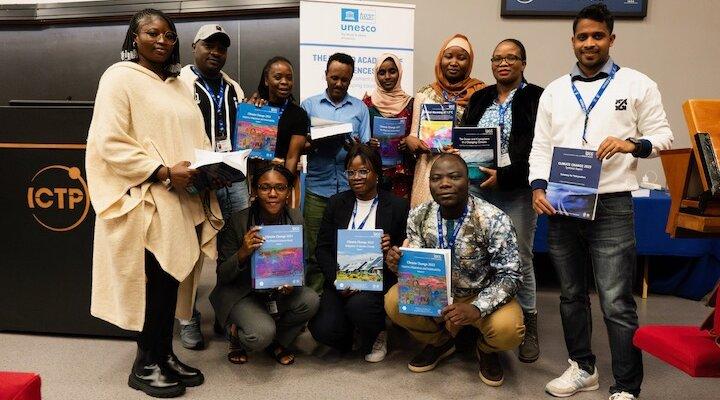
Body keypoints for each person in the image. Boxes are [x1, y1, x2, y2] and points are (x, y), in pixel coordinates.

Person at [528, 4, 673, 399]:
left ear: (611, 38)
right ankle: (582, 368)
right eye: (582, 36)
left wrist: (632, 144)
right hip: (562, 204)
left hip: (612, 206)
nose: (589, 43)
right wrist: (538, 187)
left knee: (616, 300)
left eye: (597, 35)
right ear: (573, 41)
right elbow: (541, 147)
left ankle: (626, 385)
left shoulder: (638, 84)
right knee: (572, 294)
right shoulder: (556, 90)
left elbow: (662, 137)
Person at [86, 9, 221, 398]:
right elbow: (107, 141)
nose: (162, 40)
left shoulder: (180, 84)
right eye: (152, 33)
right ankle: (144, 364)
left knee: (170, 283)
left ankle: (164, 354)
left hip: (183, 199)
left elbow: (198, 137)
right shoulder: (118, 78)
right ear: (134, 38)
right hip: (148, 198)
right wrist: (161, 172)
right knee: (153, 285)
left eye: (169, 35)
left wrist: (212, 167)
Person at [385, 153, 525, 387]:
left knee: (509, 330)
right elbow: (418, 265)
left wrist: (476, 308)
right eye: (437, 178)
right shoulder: (419, 215)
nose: (445, 183)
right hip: (436, 291)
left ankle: (486, 349)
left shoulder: (493, 219)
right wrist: (399, 264)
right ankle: (441, 341)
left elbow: (511, 276)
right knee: (393, 301)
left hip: (480, 293)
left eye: (454, 177)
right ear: (429, 184)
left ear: (468, 181)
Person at [460, 38, 544, 363]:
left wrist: (505, 176)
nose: (503, 63)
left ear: (523, 63)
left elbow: (539, 148)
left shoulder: (537, 97)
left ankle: (529, 324)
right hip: (478, 188)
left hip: (517, 191)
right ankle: (478, 320)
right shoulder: (480, 97)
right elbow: (467, 136)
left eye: (511, 58)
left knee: (519, 257)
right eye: (497, 58)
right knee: (475, 253)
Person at [177, 24, 247, 351]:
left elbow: (247, 134)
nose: (216, 53)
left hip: (232, 177)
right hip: (197, 179)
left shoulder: (235, 87)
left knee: (233, 247)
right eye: (209, 46)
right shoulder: (177, 84)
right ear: (195, 47)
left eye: (221, 48)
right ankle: (187, 315)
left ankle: (224, 310)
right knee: (192, 249)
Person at [210, 163, 319, 365]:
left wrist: (291, 282)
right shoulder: (238, 220)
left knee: (310, 300)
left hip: (276, 292)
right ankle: (235, 333)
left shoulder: (295, 217)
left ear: (288, 191)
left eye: (280, 187)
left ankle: (277, 342)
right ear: (254, 191)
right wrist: (242, 253)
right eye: (264, 187)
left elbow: (303, 261)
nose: (272, 194)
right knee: (260, 334)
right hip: (242, 293)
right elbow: (223, 275)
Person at [309, 144, 409, 363]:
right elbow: (323, 248)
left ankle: (377, 333)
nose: (356, 177)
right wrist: (336, 280)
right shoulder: (336, 203)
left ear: (377, 173)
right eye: (351, 172)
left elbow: (405, 248)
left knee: (359, 307)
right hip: (340, 280)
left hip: (376, 282)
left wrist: (391, 247)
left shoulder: (397, 206)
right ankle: (355, 332)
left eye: (363, 171)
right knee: (322, 330)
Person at [301, 52, 372, 293]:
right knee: (314, 250)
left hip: (349, 192)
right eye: (334, 78)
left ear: (351, 78)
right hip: (317, 190)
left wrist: (355, 149)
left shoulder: (360, 108)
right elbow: (298, 145)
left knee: (348, 247)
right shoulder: (309, 105)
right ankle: (314, 300)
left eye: (345, 79)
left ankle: (346, 296)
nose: (339, 84)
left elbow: (366, 151)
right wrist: (314, 143)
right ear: (326, 76)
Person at [405, 33, 485, 208]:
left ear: (469, 62)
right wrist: (412, 142)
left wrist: (464, 148)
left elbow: (484, 138)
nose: (454, 62)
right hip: (430, 168)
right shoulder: (425, 93)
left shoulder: (481, 94)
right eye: (448, 56)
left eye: (461, 58)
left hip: (465, 169)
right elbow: (413, 135)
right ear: (441, 59)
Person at [362, 53, 414, 198]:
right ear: (376, 75)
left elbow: (417, 136)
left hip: (402, 176)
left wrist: (408, 143)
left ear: (399, 72)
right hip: (374, 175)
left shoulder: (411, 103)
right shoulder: (366, 103)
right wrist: (368, 143)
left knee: (400, 217)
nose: (387, 77)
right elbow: (361, 138)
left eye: (392, 71)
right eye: (382, 72)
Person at [255, 56, 310, 177]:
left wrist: (285, 186)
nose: (284, 82)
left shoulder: (298, 114)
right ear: (266, 80)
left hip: (283, 177)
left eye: (289, 78)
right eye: (278, 77)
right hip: (255, 177)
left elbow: (292, 158)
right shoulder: (256, 108)